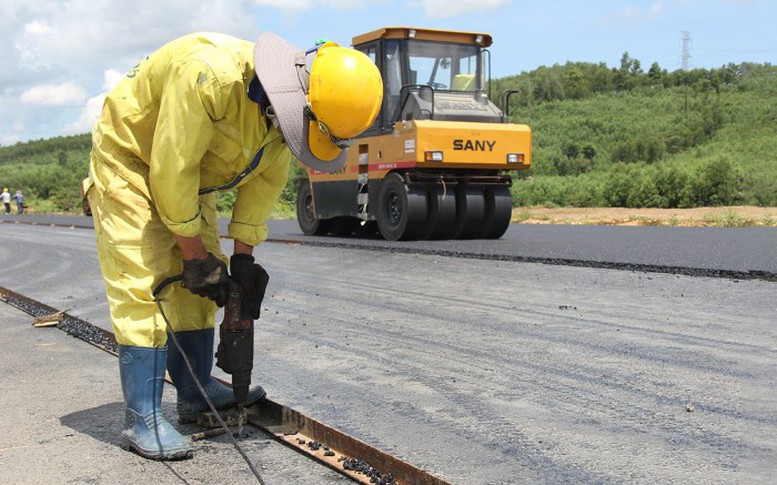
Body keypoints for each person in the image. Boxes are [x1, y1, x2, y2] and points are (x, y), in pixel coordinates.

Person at [83, 32, 382, 461]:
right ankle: (142, 416)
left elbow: (262, 187)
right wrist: (192, 255)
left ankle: (194, 389)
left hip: (193, 177)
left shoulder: (284, 117)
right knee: (145, 280)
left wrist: (242, 261)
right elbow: (172, 169)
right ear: (299, 98)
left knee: (204, 282)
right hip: (132, 162)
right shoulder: (209, 76)